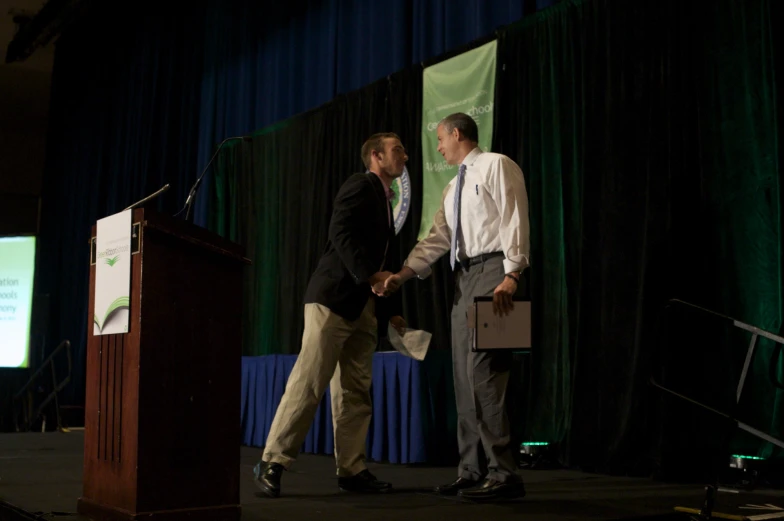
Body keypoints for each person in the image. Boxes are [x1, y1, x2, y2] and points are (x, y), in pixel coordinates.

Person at [383, 113, 529, 501]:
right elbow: (437, 239)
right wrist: (402, 274)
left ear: (457, 133)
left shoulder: (497, 164)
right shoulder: (452, 188)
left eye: (440, 139)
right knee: (463, 379)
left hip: (496, 271)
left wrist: (513, 274)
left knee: (486, 374)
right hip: (463, 281)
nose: (437, 147)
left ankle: (504, 473)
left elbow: (515, 217)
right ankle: (470, 469)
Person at [253, 132, 408, 498]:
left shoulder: (387, 201)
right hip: (334, 299)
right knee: (309, 382)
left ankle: (352, 469)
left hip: (365, 309)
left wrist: (393, 313)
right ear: (376, 155)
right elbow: (340, 232)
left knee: (355, 393)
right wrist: (370, 276)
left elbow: (386, 263)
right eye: (397, 149)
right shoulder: (359, 185)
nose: (405, 156)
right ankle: (272, 462)